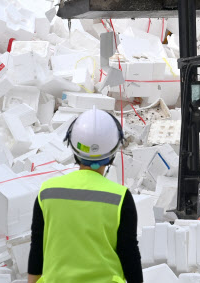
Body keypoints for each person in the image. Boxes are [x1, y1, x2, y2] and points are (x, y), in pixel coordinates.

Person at [27, 108, 143, 283]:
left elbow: (37, 251)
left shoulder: (47, 192)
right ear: (112, 153)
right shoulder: (120, 197)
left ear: (74, 148)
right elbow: (129, 255)